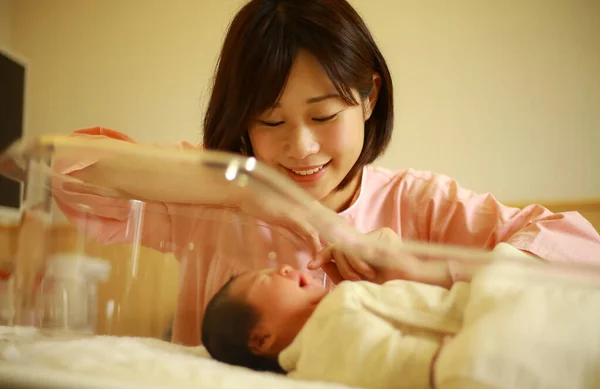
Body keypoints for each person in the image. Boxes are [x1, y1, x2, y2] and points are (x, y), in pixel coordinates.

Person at [48, 0, 600, 346]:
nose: (301, 146)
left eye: (323, 115)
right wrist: (244, 192)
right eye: (269, 120)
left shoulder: (421, 202)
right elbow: (69, 169)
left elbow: (581, 251)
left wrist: (426, 269)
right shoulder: (207, 193)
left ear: (368, 97)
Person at [200, 263, 468, 389]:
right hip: (469, 341)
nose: (283, 267)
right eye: (266, 278)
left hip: (470, 304)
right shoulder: (320, 343)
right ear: (261, 339)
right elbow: (380, 357)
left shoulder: (337, 304)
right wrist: (445, 364)